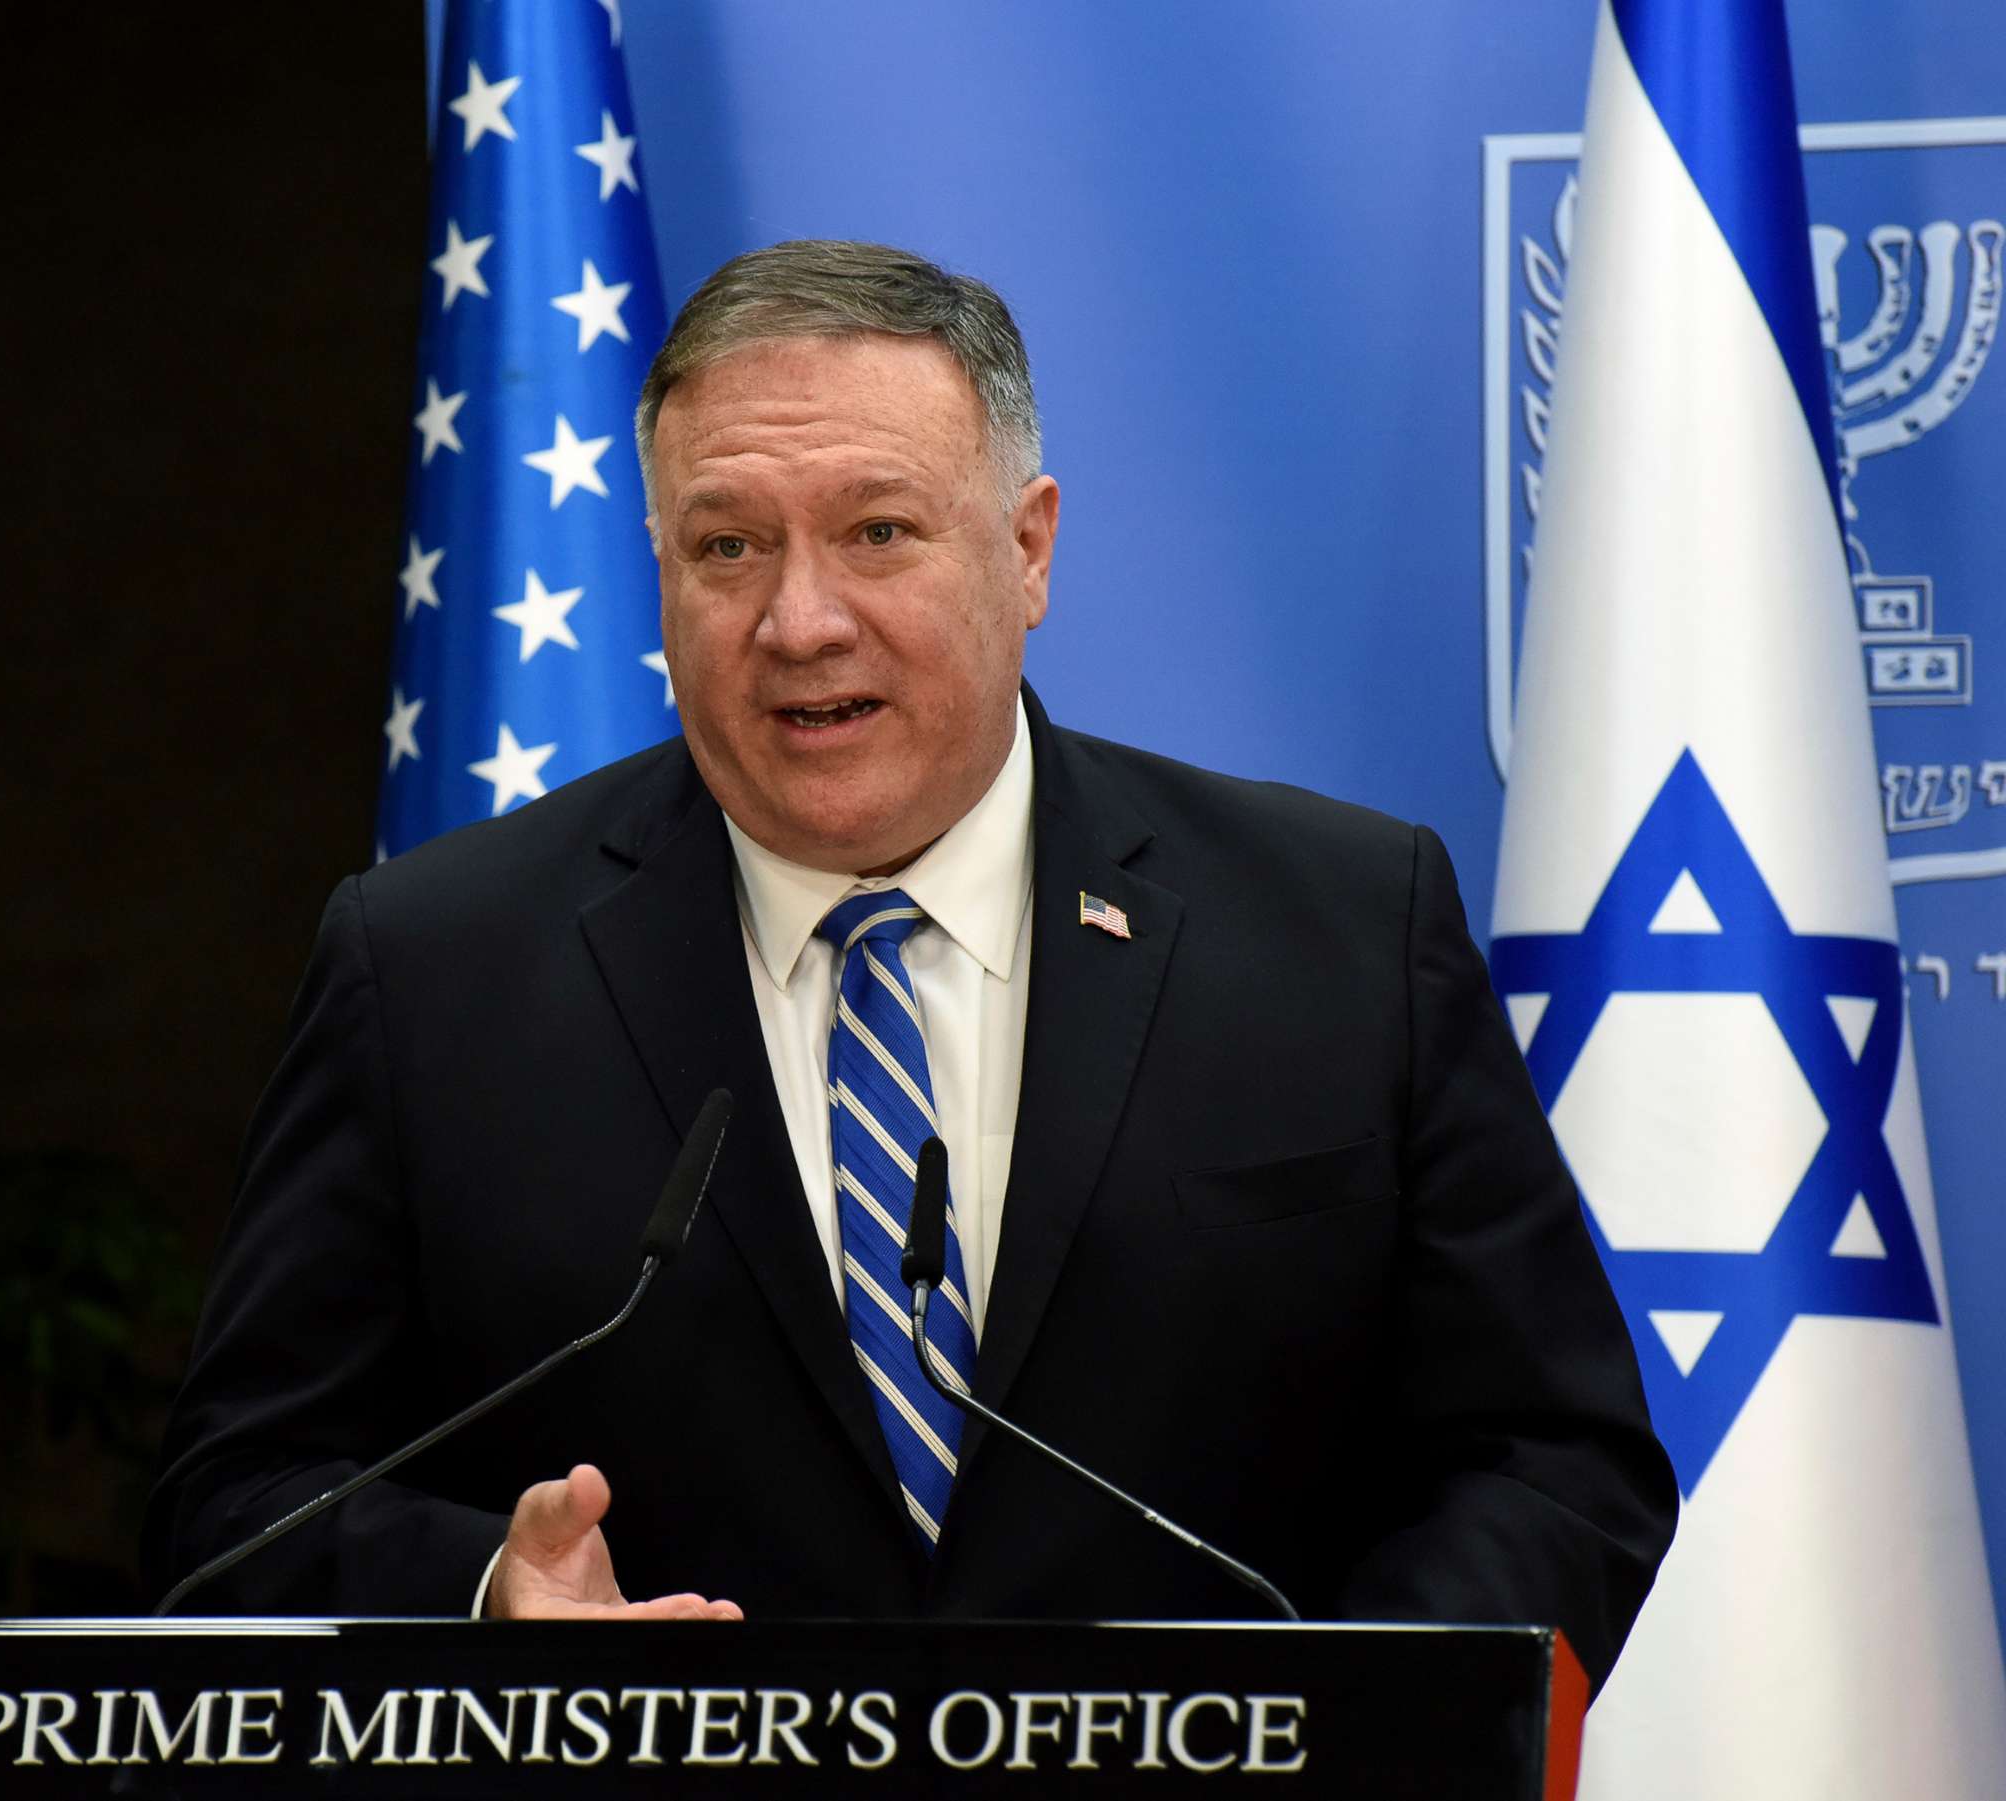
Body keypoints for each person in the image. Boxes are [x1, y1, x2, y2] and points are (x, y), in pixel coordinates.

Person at [145, 240, 1676, 1681]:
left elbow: (1554, 1459)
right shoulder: (432, 968)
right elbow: (233, 1509)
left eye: (878, 531)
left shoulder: (1340, 925)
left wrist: (1328, 1725)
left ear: (1026, 551)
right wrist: (490, 1593)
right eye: (727, 545)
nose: (800, 622)